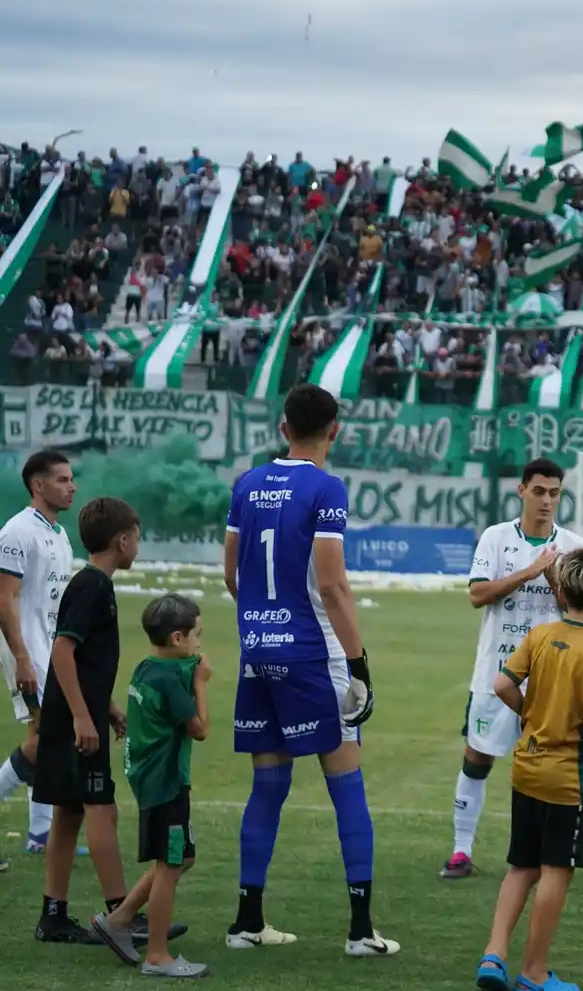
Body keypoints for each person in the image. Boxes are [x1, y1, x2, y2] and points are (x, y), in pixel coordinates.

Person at [223, 383, 389, 956]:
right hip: (313, 656)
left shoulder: (246, 485)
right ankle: (362, 931)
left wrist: (260, 623)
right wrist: (358, 661)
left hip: (258, 653)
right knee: (346, 784)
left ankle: (247, 921)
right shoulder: (327, 488)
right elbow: (332, 583)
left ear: (283, 426)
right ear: (334, 430)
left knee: (267, 784)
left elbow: (232, 575)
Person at [475, 547, 583, 991]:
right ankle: (534, 973)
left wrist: (528, 714)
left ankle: (493, 956)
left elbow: (502, 683)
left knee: (521, 866)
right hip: (565, 779)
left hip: (527, 766)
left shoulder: (540, 635)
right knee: (556, 870)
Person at [443, 458, 583, 880]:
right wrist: (529, 572)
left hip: (551, 676)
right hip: (496, 671)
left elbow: (582, 610)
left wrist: (557, 580)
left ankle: (544, 854)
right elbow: (477, 594)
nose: (546, 500)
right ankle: (461, 850)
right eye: (539, 491)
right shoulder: (496, 538)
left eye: (554, 493)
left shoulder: (574, 545)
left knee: (546, 766)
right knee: (478, 756)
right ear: (522, 491)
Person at [32, 497, 160, 953]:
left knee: (68, 813)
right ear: (123, 540)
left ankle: (54, 915)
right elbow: (64, 651)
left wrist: (105, 706)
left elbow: (84, 659)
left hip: (76, 715)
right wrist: (85, 717)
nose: (137, 545)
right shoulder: (92, 586)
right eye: (137, 537)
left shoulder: (92, 583)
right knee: (101, 809)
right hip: (74, 721)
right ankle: (121, 913)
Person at [122, 593, 212, 977]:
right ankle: (157, 955)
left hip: (149, 779)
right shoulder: (172, 682)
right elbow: (201, 729)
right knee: (171, 864)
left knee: (181, 857)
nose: (198, 645)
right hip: (167, 784)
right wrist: (201, 683)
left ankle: (120, 918)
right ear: (177, 639)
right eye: (196, 636)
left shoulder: (146, 668)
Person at [0, 450, 77, 861]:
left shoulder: (60, 535)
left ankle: (40, 833)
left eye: (71, 478)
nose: (72, 486)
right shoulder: (16, 532)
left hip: (50, 649)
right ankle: (41, 830)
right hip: (26, 651)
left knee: (44, 738)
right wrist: (22, 657)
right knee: (49, 739)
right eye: (63, 479)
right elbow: (3, 599)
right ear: (38, 486)